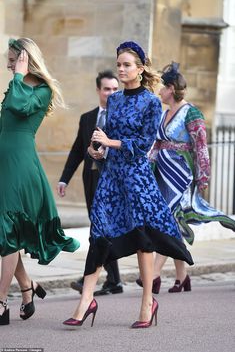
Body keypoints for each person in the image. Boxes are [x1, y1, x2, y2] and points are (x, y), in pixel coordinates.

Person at [62, 41, 193, 329]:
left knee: (143, 240)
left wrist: (112, 143)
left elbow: (146, 143)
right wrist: (99, 150)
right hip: (111, 177)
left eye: (127, 65)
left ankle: (147, 302)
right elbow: (107, 138)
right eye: (118, 64)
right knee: (100, 232)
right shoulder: (115, 100)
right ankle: (86, 301)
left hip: (137, 178)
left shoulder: (150, 102)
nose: (121, 69)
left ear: (140, 68)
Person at [136, 62, 235, 294]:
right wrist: (147, 169)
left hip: (182, 176)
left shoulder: (192, 112)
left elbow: (201, 147)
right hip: (163, 174)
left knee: (170, 222)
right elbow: (156, 145)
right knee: (174, 222)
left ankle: (155, 273)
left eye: (162, 87)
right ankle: (183, 278)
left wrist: (203, 178)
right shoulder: (163, 113)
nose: (159, 91)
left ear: (171, 89)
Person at [0, 38, 80, 325]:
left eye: (13, 59)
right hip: (3, 163)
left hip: (21, 166)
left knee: (7, 229)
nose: (9, 64)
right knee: (7, 232)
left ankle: (0, 303)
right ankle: (28, 287)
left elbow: (19, 108)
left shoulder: (41, 90)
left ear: (26, 59)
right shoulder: (16, 85)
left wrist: (19, 74)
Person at [57, 70, 123, 296]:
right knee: (100, 228)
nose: (111, 93)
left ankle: (94, 277)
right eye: (107, 89)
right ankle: (113, 280)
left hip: (113, 180)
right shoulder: (87, 118)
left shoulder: (123, 116)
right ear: (98, 90)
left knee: (102, 228)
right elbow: (77, 150)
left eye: (115, 89)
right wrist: (64, 178)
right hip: (91, 178)